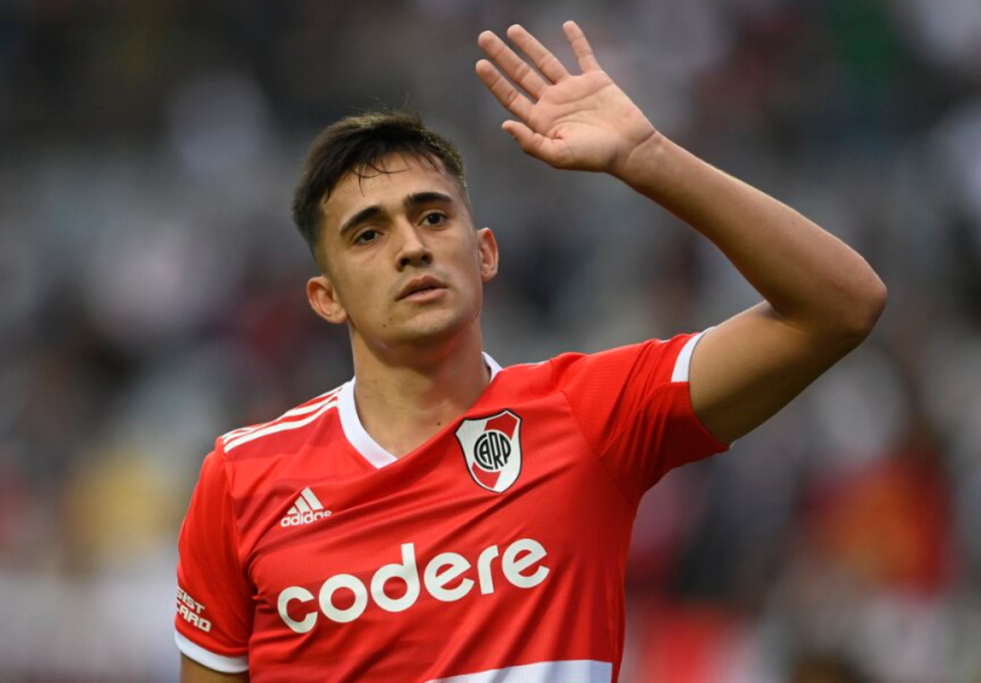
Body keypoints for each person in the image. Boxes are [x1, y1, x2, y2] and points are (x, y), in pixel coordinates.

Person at [174, 21, 886, 683]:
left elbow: (840, 305)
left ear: (484, 254)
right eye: (368, 234)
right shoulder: (241, 481)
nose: (413, 246)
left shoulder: (590, 416)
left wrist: (648, 158)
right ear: (325, 297)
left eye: (432, 215)